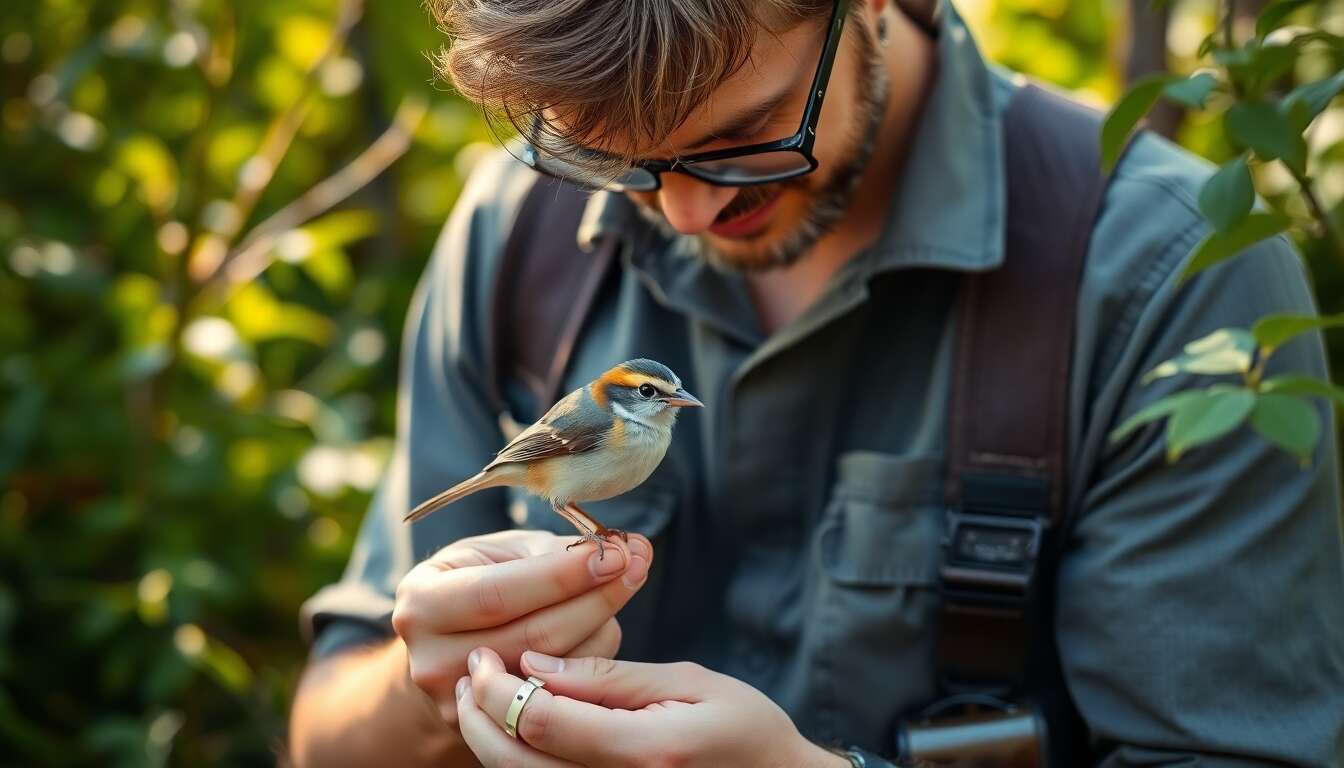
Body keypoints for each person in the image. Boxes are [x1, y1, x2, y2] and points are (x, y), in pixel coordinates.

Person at [287, 0, 1344, 765]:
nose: (688, 213)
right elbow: (325, 733)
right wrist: (432, 690)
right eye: (623, 162)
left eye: (742, 138)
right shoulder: (517, 235)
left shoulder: (1171, 272)